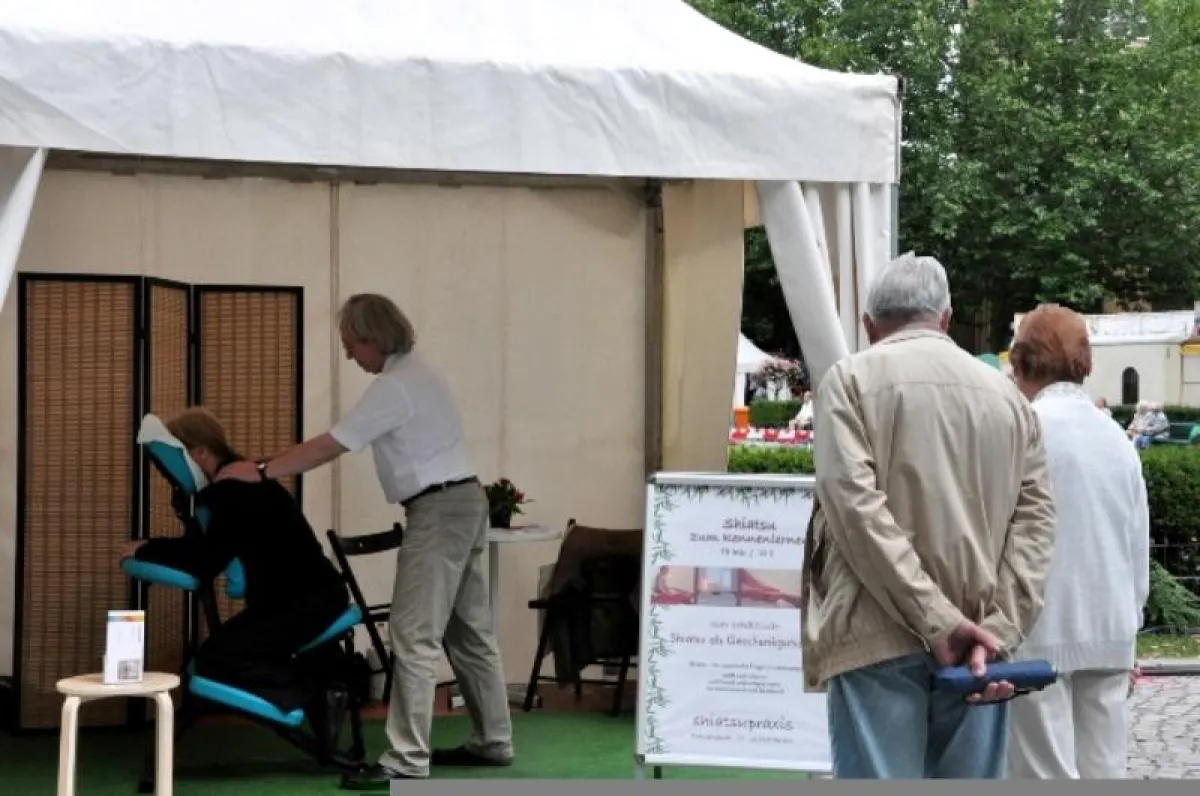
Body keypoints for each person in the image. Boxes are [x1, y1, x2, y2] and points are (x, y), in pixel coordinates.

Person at [217, 293, 513, 789]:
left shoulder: (394, 387)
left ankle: (405, 761)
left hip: (438, 511)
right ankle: (493, 741)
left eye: (351, 345)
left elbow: (329, 446)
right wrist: (268, 462)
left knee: (412, 635)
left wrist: (260, 470)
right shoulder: (421, 372)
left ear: (372, 338)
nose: (350, 356)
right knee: (470, 633)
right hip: (467, 501)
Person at [802, 252, 1058, 779]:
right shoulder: (1009, 400)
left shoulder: (848, 382)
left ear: (869, 325)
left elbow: (855, 511)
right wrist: (995, 631)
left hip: (874, 631)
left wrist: (938, 620)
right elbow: (1036, 528)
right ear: (945, 318)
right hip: (980, 645)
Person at [118, 408, 351, 723]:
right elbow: (203, 547)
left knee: (216, 660)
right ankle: (316, 687)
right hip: (318, 596)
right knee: (217, 655)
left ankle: (313, 695)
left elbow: (202, 561)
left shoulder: (227, 492)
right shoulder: (248, 478)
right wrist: (154, 547)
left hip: (303, 605)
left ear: (200, 452)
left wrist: (145, 548)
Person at [1005, 304, 1150, 780]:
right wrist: (1132, 617)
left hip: (1038, 626)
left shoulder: (1022, 431)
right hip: (1109, 624)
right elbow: (1136, 545)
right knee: (1105, 769)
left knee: (1043, 772)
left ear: (1021, 361)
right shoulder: (1117, 440)